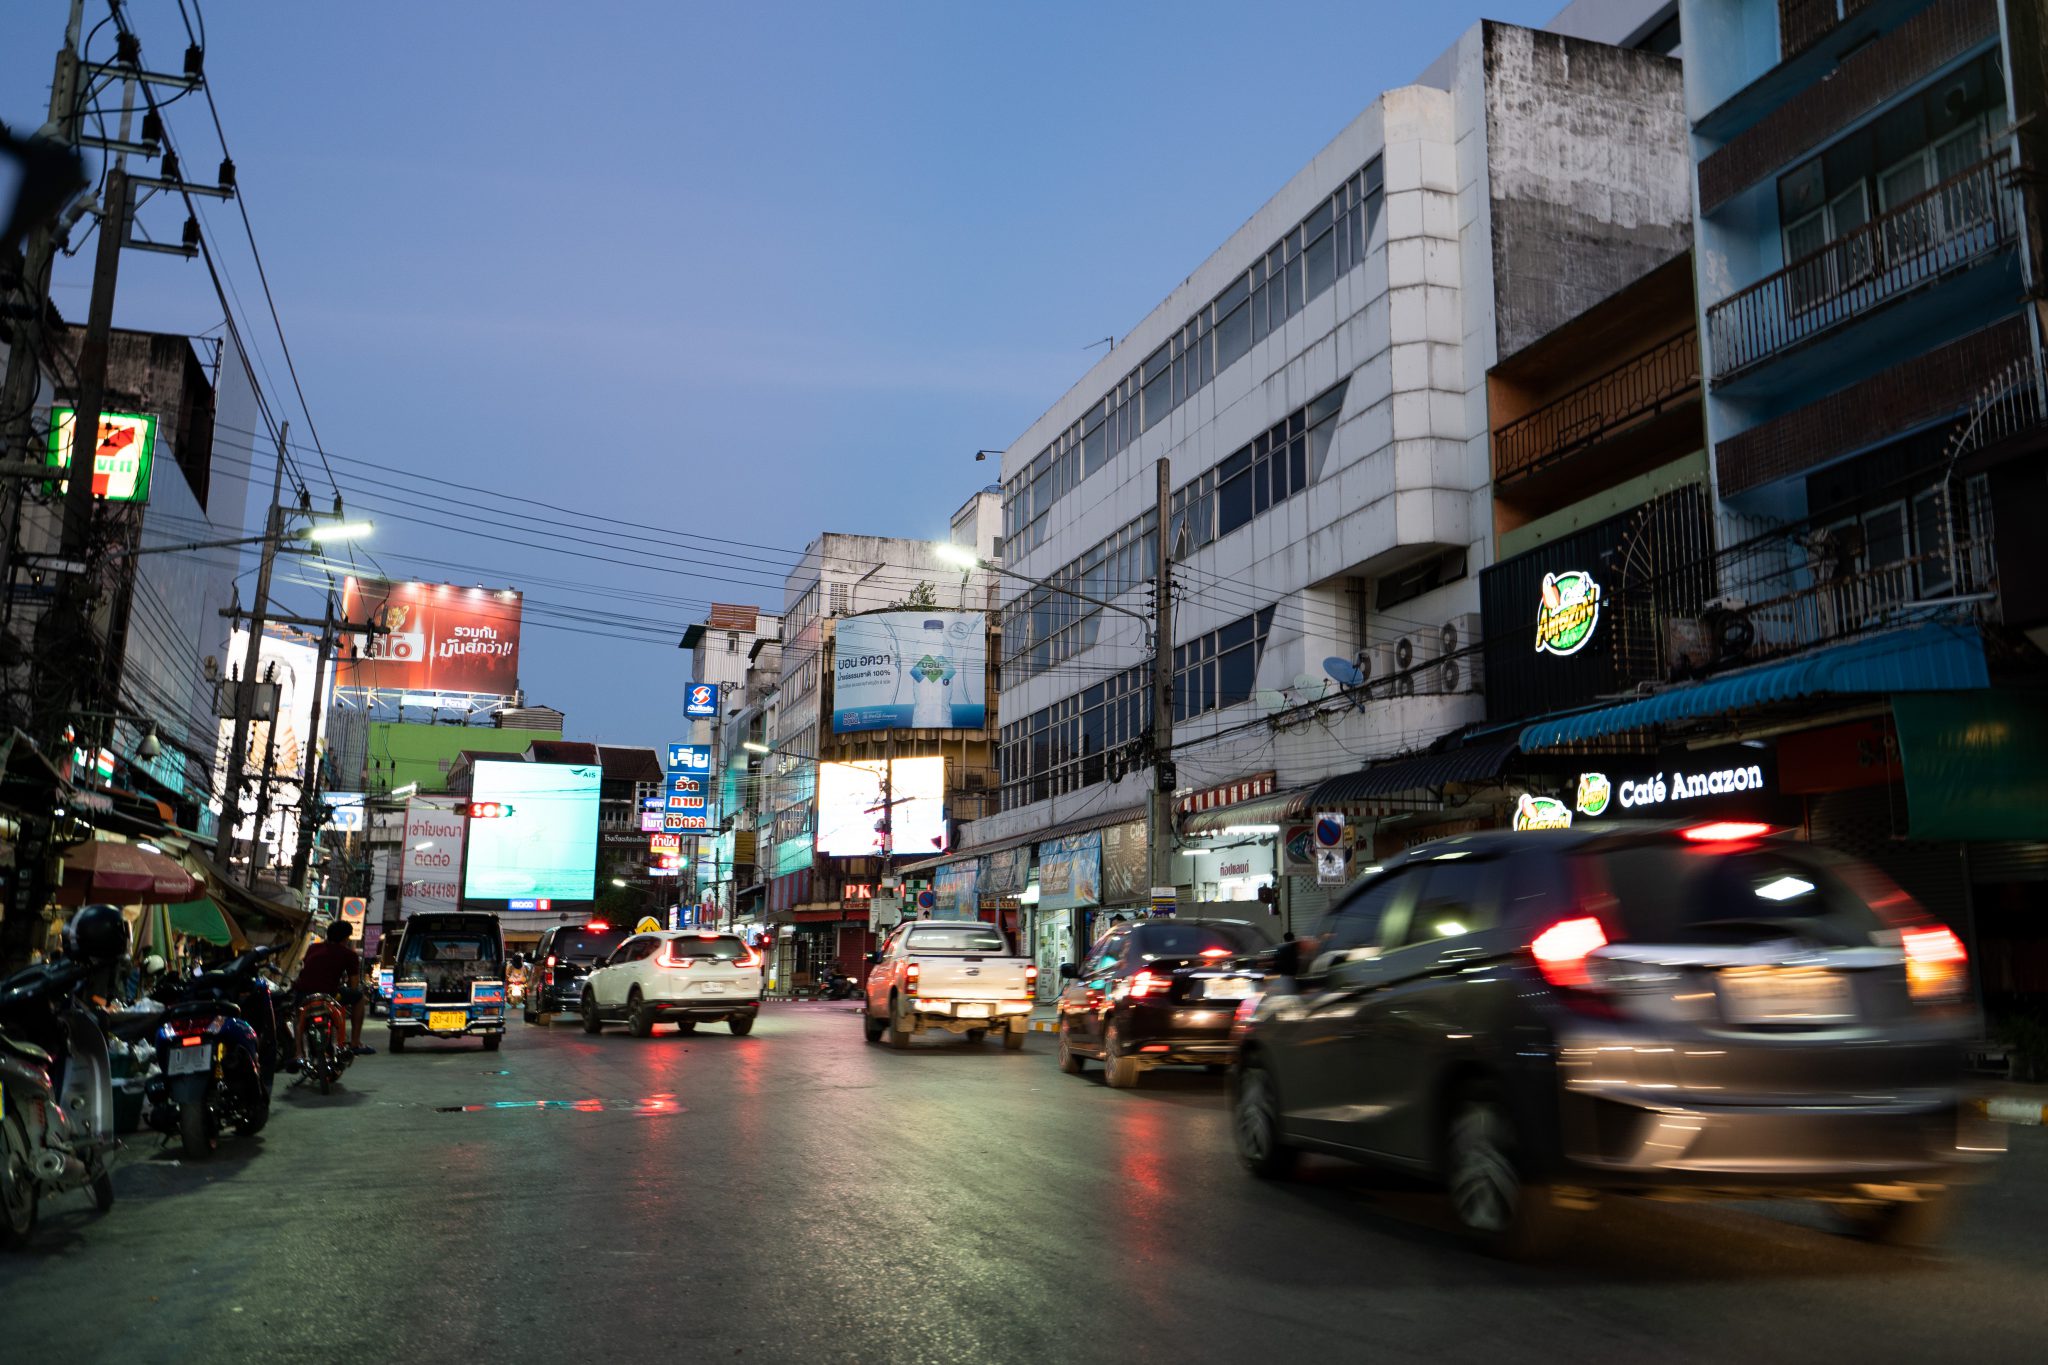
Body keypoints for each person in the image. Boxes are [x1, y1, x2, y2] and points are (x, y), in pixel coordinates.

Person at [295, 920, 373, 1056]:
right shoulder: (349, 954)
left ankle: (298, 1053)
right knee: (359, 998)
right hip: (328, 993)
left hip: (303, 992)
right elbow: (354, 985)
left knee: (299, 1018)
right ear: (346, 937)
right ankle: (355, 1042)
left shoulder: (313, 947)